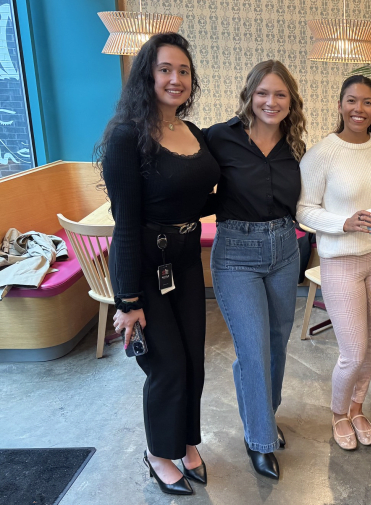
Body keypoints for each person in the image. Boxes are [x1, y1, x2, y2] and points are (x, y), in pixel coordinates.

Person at [98, 33, 220, 496]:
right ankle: (158, 453)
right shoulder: (127, 136)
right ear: (147, 75)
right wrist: (127, 300)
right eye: (165, 69)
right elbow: (124, 224)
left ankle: (187, 442)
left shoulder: (193, 132)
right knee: (165, 364)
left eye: (183, 71)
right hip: (143, 263)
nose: (175, 79)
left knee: (192, 360)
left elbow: (201, 197)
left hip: (186, 262)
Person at [203, 60, 306, 480]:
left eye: (280, 94)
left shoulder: (296, 147)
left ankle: (263, 418)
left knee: (277, 344)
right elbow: (188, 176)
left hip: (285, 248)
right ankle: (259, 440)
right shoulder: (218, 138)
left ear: (291, 101)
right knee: (253, 348)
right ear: (249, 95)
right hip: (236, 254)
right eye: (263, 92)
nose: (271, 101)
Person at [297, 75, 371, 451]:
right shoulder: (322, 153)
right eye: (352, 101)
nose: (359, 109)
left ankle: (358, 408)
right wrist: (343, 222)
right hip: (341, 261)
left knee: (370, 342)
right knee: (353, 350)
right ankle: (338, 413)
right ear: (340, 105)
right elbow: (304, 210)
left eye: (367, 102)